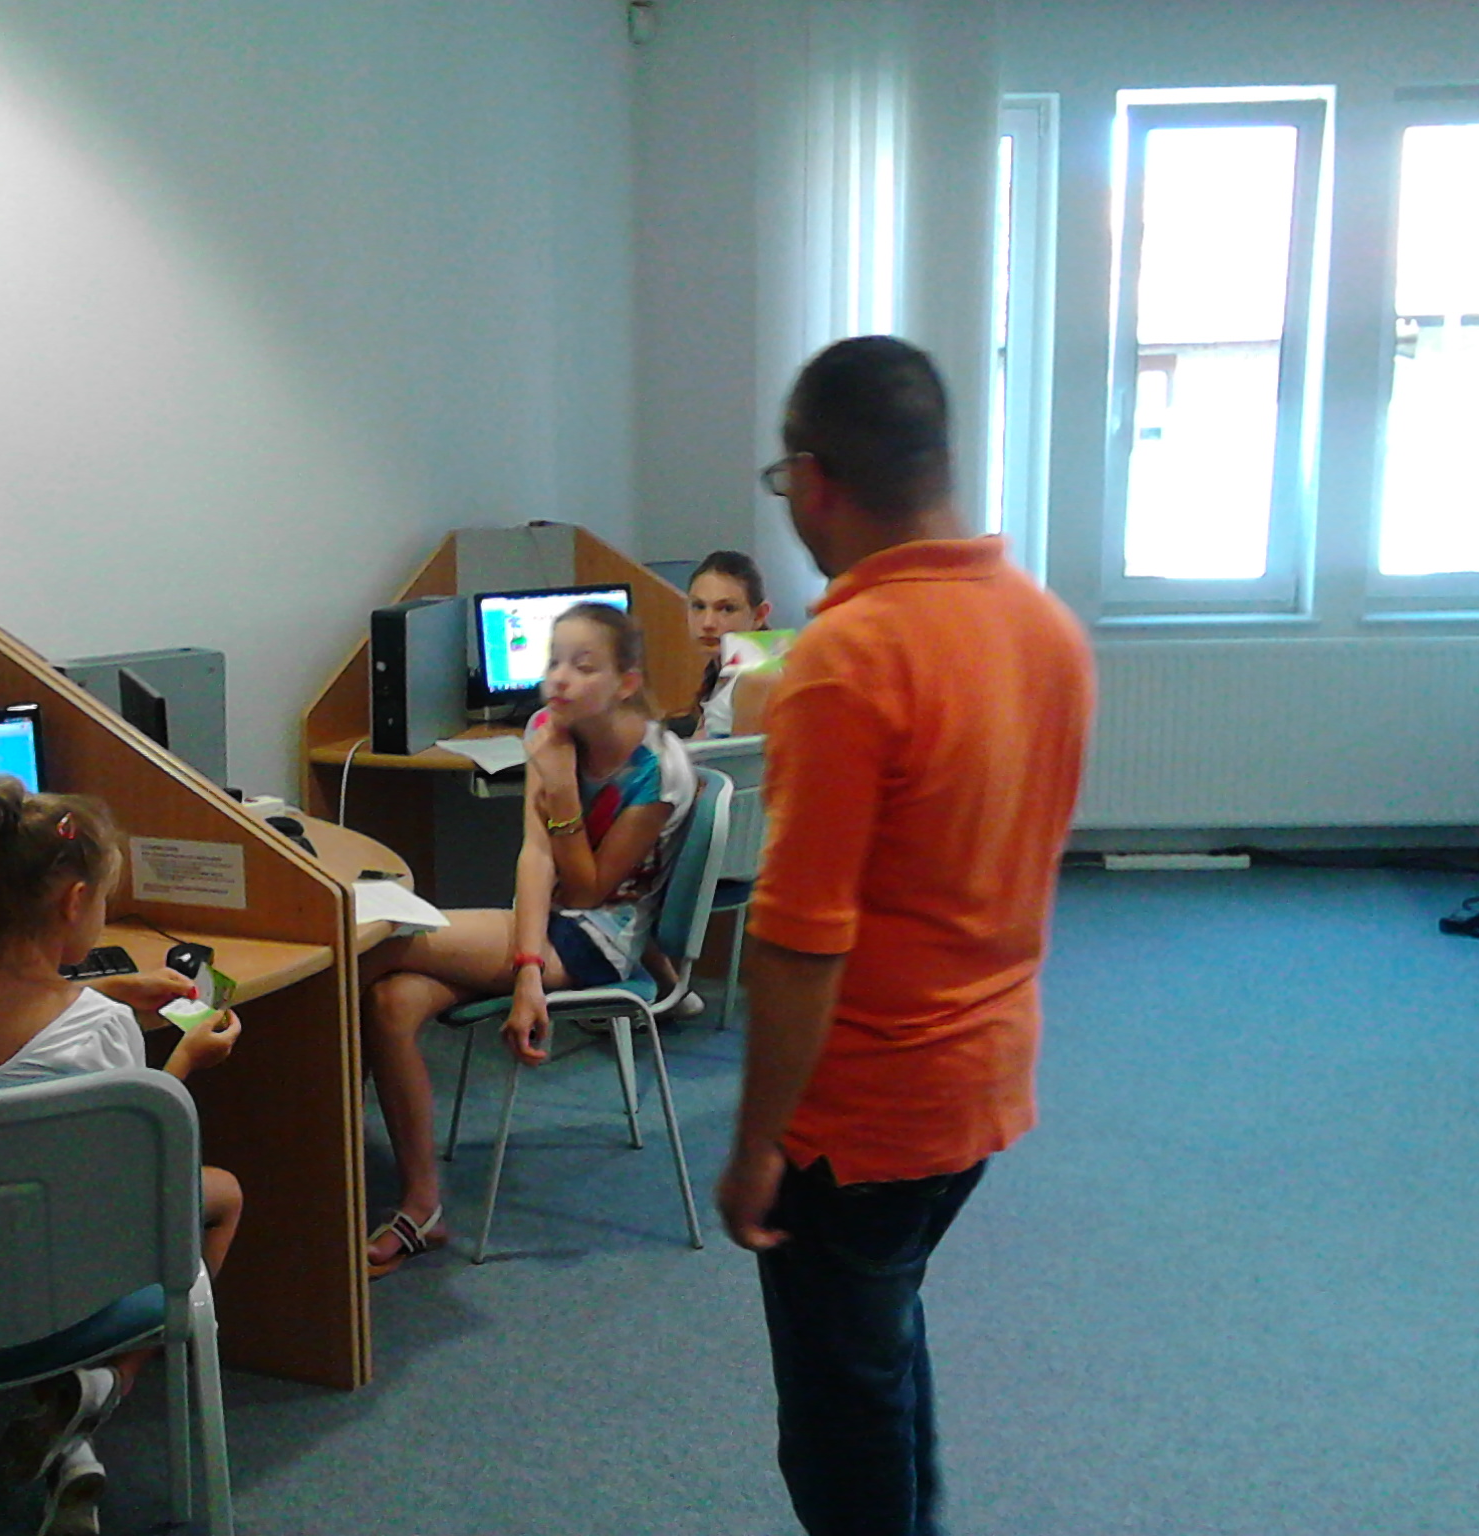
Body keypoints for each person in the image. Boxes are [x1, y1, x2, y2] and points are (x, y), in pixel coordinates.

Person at [716, 336, 1094, 1536]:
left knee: (837, 1428)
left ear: (813, 479)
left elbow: (798, 944)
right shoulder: (1043, 627)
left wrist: (755, 1145)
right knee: (878, 1344)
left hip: (858, 1118)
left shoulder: (846, 659)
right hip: (976, 1088)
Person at [0, 778, 243, 1536]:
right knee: (221, 1196)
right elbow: (140, 1156)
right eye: (104, 901)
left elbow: (11, 992)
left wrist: (113, 985)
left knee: (42, 1194)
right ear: (74, 901)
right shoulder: (97, 1030)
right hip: (59, 1281)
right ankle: (102, 1390)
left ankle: (70, 1444)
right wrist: (185, 1058)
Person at [362, 602, 697, 1275]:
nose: (560, 679)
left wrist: (563, 791)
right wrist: (525, 969)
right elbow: (535, 856)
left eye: (584, 666)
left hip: (600, 942)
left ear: (626, 683)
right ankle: (423, 1206)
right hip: (541, 930)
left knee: (378, 942)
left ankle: (309, 1146)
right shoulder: (548, 729)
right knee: (390, 1001)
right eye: (553, 662)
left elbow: (589, 891)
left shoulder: (658, 770)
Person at [680, 549, 774, 738]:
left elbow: (747, 758)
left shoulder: (757, 678)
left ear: (759, 615)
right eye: (698, 606)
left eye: (726, 609)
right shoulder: (726, 668)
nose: (707, 623)